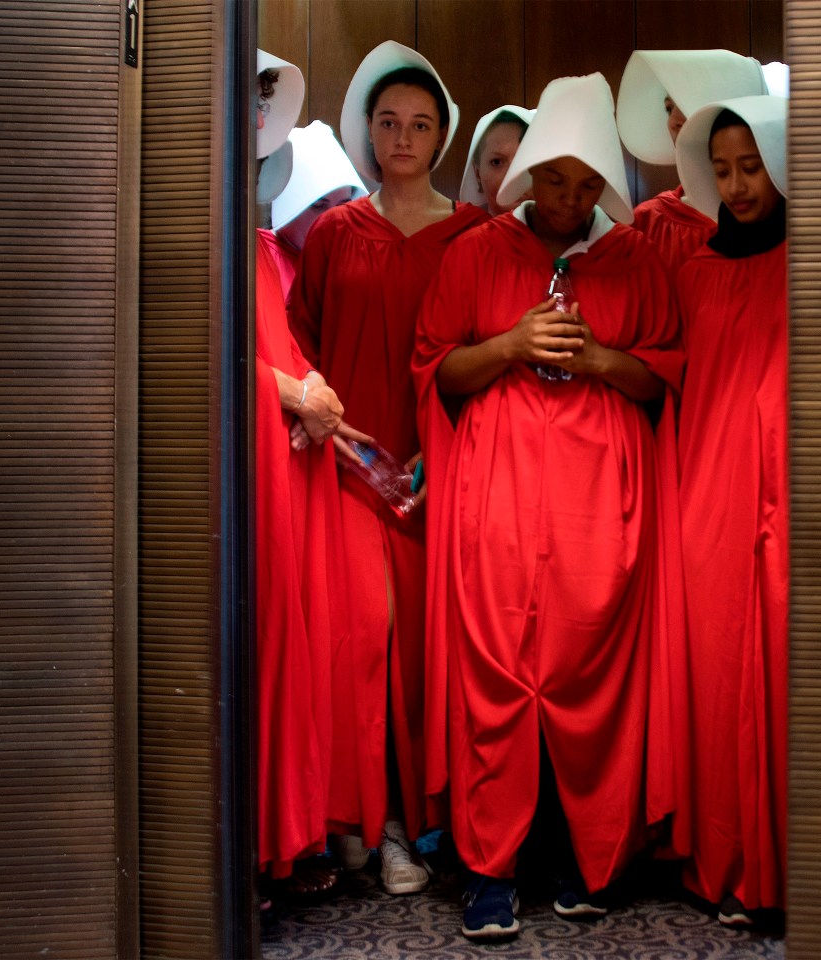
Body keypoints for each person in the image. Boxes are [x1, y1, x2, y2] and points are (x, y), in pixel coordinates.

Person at [412, 72, 685, 941]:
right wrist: (509, 343)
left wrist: (601, 358)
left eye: (585, 185)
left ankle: (587, 857)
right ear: (528, 175)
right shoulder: (475, 255)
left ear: (604, 185)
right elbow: (437, 370)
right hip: (497, 502)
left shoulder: (637, 260)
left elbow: (663, 378)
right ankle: (490, 871)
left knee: (589, 676)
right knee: (497, 675)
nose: (568, 200)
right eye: (554, 180)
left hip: (600, 506)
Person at [288, 40, 487, 896]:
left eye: (420, 124)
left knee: (425, 658)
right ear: (368, 132)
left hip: (444, 473)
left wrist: (457, 452)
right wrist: (324, 425)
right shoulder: (335, 233)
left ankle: (419, 824)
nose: (402, 137)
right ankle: (362, 822)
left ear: (441, 136)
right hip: (348, 471)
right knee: (357, 646)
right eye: (388, 122)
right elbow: (299, 348)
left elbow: (486, 351)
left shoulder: (475, 235)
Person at [249, 49, 366, 910]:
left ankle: (283, 842)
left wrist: (309, 394)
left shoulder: (251, 247)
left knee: (297, 640)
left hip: (286, 472)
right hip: (236, 493)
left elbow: (282, 352)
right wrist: (288, 390)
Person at [671, 94, 789, 929]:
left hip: (788, 490)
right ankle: (727, 864)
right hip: (708, 497)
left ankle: (793, 869)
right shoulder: (695, 272)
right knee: (716, 681)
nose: (737, 185)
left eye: (751, 166)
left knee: (787, 678)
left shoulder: (817, 262)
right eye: (721, 170)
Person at [615, 49, 766, 274]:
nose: (674, 121)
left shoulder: (775, 218)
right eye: (668, 108)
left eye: (685, 103)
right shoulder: (650, 221)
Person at [263, 120, 367, 304]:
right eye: (318, 205)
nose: (333, 219)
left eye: (343, 205)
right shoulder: (256, 259)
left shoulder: (356, 269)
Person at [457, 105, 534, 217]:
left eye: (525, 160)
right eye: (497, 162)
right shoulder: (467, 233)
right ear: (477, 173)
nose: (514, 176)